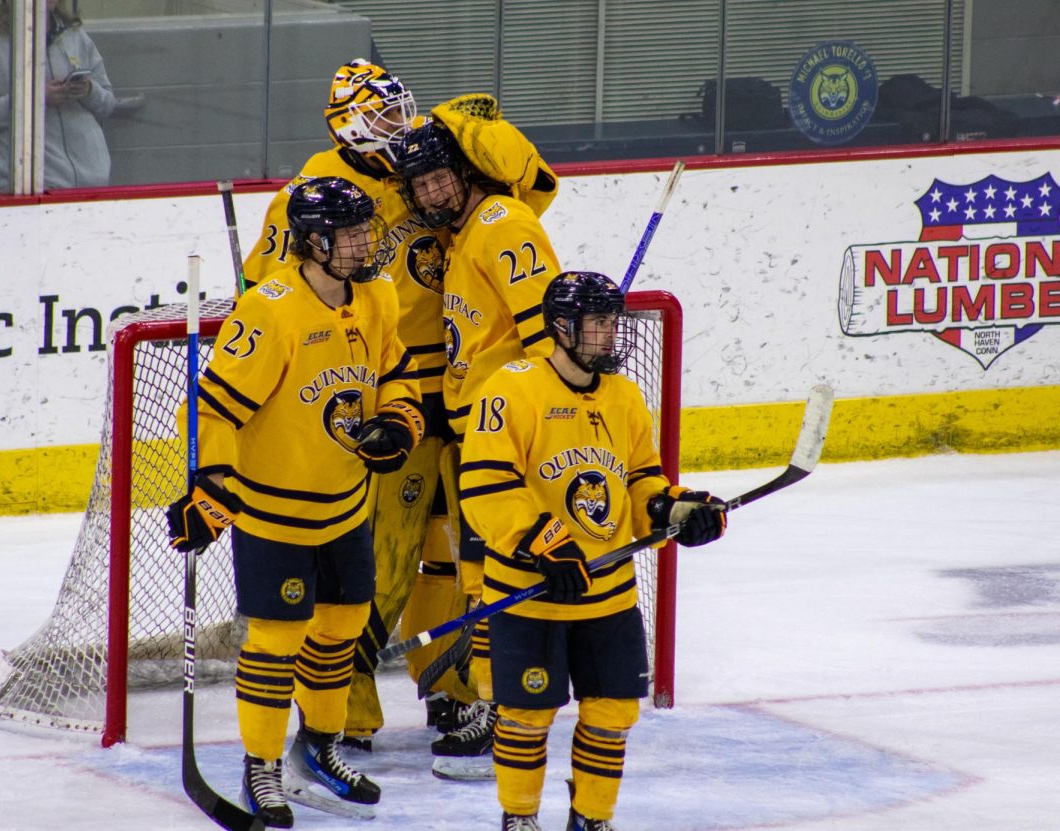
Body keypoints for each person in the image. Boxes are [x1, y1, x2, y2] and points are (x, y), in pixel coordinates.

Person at [166, 176, 425, 827]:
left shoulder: (377, 294)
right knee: (278, 640)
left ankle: (320, 746)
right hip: (275, 514)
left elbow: (396, 372)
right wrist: (211, 488)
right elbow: (210, 409)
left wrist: (397, 422)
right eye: (353, 232)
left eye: (369, 228)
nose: (369, 241)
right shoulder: (272, 309)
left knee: (341, 630)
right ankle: (261, 763)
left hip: (346, 506)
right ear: (314, 241)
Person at [240, 59, 477, 749]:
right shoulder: (314, 191)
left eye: (400, 112)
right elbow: (270, 288)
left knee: (449, 555)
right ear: (345, 126)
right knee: (379, 563)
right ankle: (348, 710)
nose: (397, 129)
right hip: (380, 396)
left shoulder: (429, 172)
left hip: (457, 394)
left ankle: (448, 687)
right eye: (380, 119)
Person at [458, 271, 728, 831]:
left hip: (608, 595)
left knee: (613, 714)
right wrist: (545, 545)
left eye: (613, 322)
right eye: (599, 324)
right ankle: (521, 820)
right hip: (528, 596)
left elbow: (641, 483)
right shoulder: (510, 389)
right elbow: (485, 487)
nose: (612, 335)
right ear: (562, 327)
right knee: (527, 717)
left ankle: (592, 818)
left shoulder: (625, 397)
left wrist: (678, 510)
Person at [392, 95, 561, 780]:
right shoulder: (463, 236)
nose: (432, 192)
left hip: (508, 441)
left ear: (468, 172)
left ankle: (509, 713)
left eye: (441, 176)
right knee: (481, 578)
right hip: (474, 439)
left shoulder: (503, 221)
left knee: (501, 577)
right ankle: (499, 705)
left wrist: (542, 424)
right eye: (420, 185)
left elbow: (545, 326)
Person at [0, 0, 114, 191]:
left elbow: (108, 104)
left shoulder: (75, 35)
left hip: (93, 182)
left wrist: (89, 91)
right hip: (34, 188)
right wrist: (35, 99)